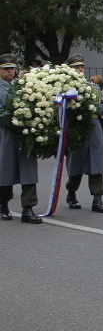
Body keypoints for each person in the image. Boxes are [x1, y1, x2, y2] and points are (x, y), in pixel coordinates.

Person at [64, 55, 103, 213]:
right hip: (76, 129)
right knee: (75, 164)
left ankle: (97, 199)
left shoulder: (93, 88)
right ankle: (71, 193)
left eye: (81, 67)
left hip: (94, 129)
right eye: (76, 67)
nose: (80, 69)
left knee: (96, 164)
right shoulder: (63, 88)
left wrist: (93, 106)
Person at [0, 53, 41, 224]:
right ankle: (3, 204)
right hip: (6, 134)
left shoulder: (23, 86)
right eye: (6, 69)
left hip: (25, 135)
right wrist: (18, 122)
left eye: (12, 68)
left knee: (29, 170)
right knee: (5, 171)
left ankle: (28, 208)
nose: (10, 71)